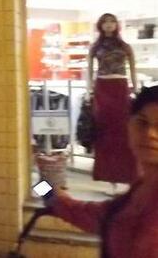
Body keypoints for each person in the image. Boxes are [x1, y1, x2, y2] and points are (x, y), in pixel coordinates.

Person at [48, 85, 158, 258]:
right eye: (142, 122)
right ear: (129, 125)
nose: (150, 133)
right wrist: (42, 188)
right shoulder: (137, 192)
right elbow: (95, 216)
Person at [87, 13, 139, 184]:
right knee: (104, 130)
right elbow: (89, 70)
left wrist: (135, 87)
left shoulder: (125, 46)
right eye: (105, 22)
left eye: (112, 22)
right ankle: (106, 174)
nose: (109, 25)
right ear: (100, 25)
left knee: (122, 130)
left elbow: (132, 68)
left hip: (120, 87)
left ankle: (124, 174)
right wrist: (89, 89)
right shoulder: (95, 47)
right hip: (102, 87)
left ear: (117, 25)